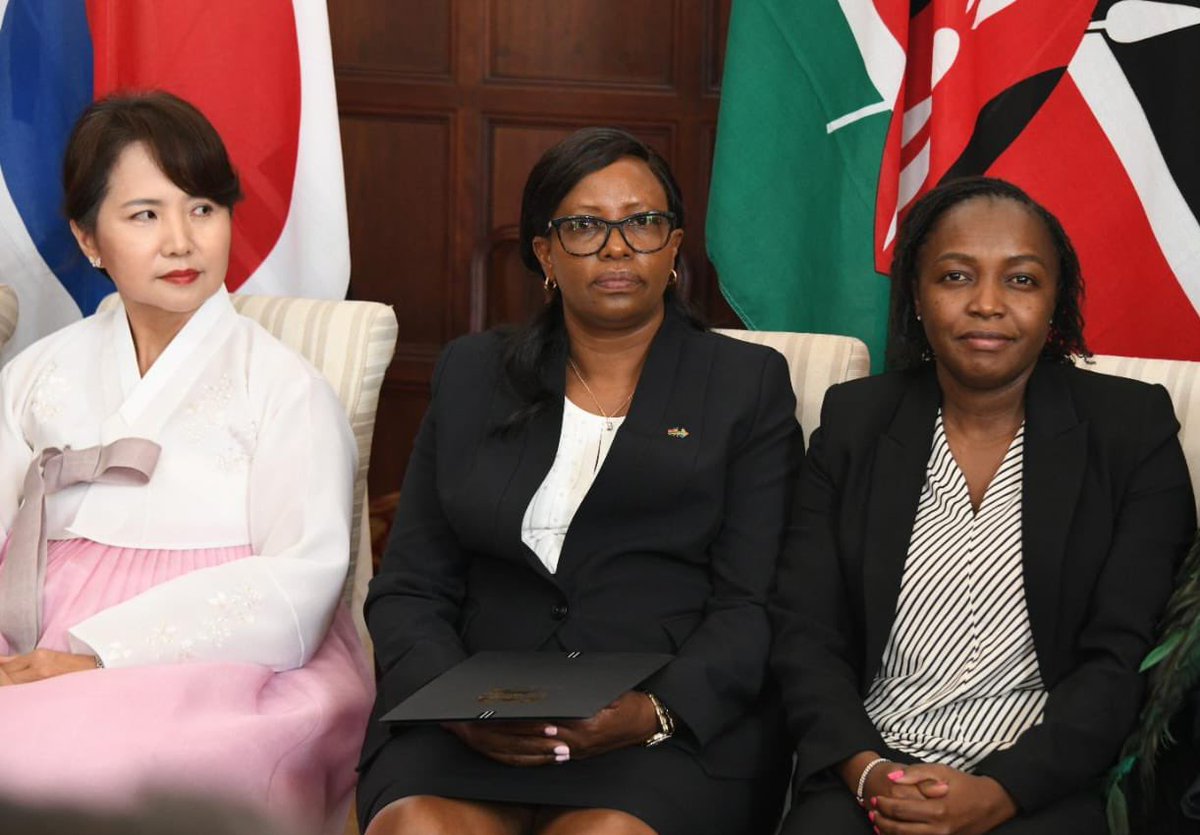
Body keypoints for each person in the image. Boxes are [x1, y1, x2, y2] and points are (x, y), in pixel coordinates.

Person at [357, 127, 803, 835]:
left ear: (675, 246)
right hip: (470, 723)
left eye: (643, 223)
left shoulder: (745, 385)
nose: (618, 246)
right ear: (545, 253)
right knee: (419, 827)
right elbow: (411, 583)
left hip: (660, 729)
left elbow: (754, 601)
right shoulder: (474, 373)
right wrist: (453, 704)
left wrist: (653, 710)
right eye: (587, 225)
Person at [770, 176, 1196, 835]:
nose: (988, 304)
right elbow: (806, 632)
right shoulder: (856, 423)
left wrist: (1003, 788)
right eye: (956, 277)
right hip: (872, 773)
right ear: (917, 294)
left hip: (1043, 782)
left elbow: (1123, 655)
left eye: (1021, 280)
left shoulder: (1130, 430)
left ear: (1056, 300)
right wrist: (865, 770)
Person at [0, 91, 373, 834]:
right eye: (145, 215)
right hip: (29, 632)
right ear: (88, 239)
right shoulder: (38, 373)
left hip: (224, 657)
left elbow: (301, 578)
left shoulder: (283, 386)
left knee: (95, 768)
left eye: (203, 208)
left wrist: (98, 654)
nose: (182, 241)